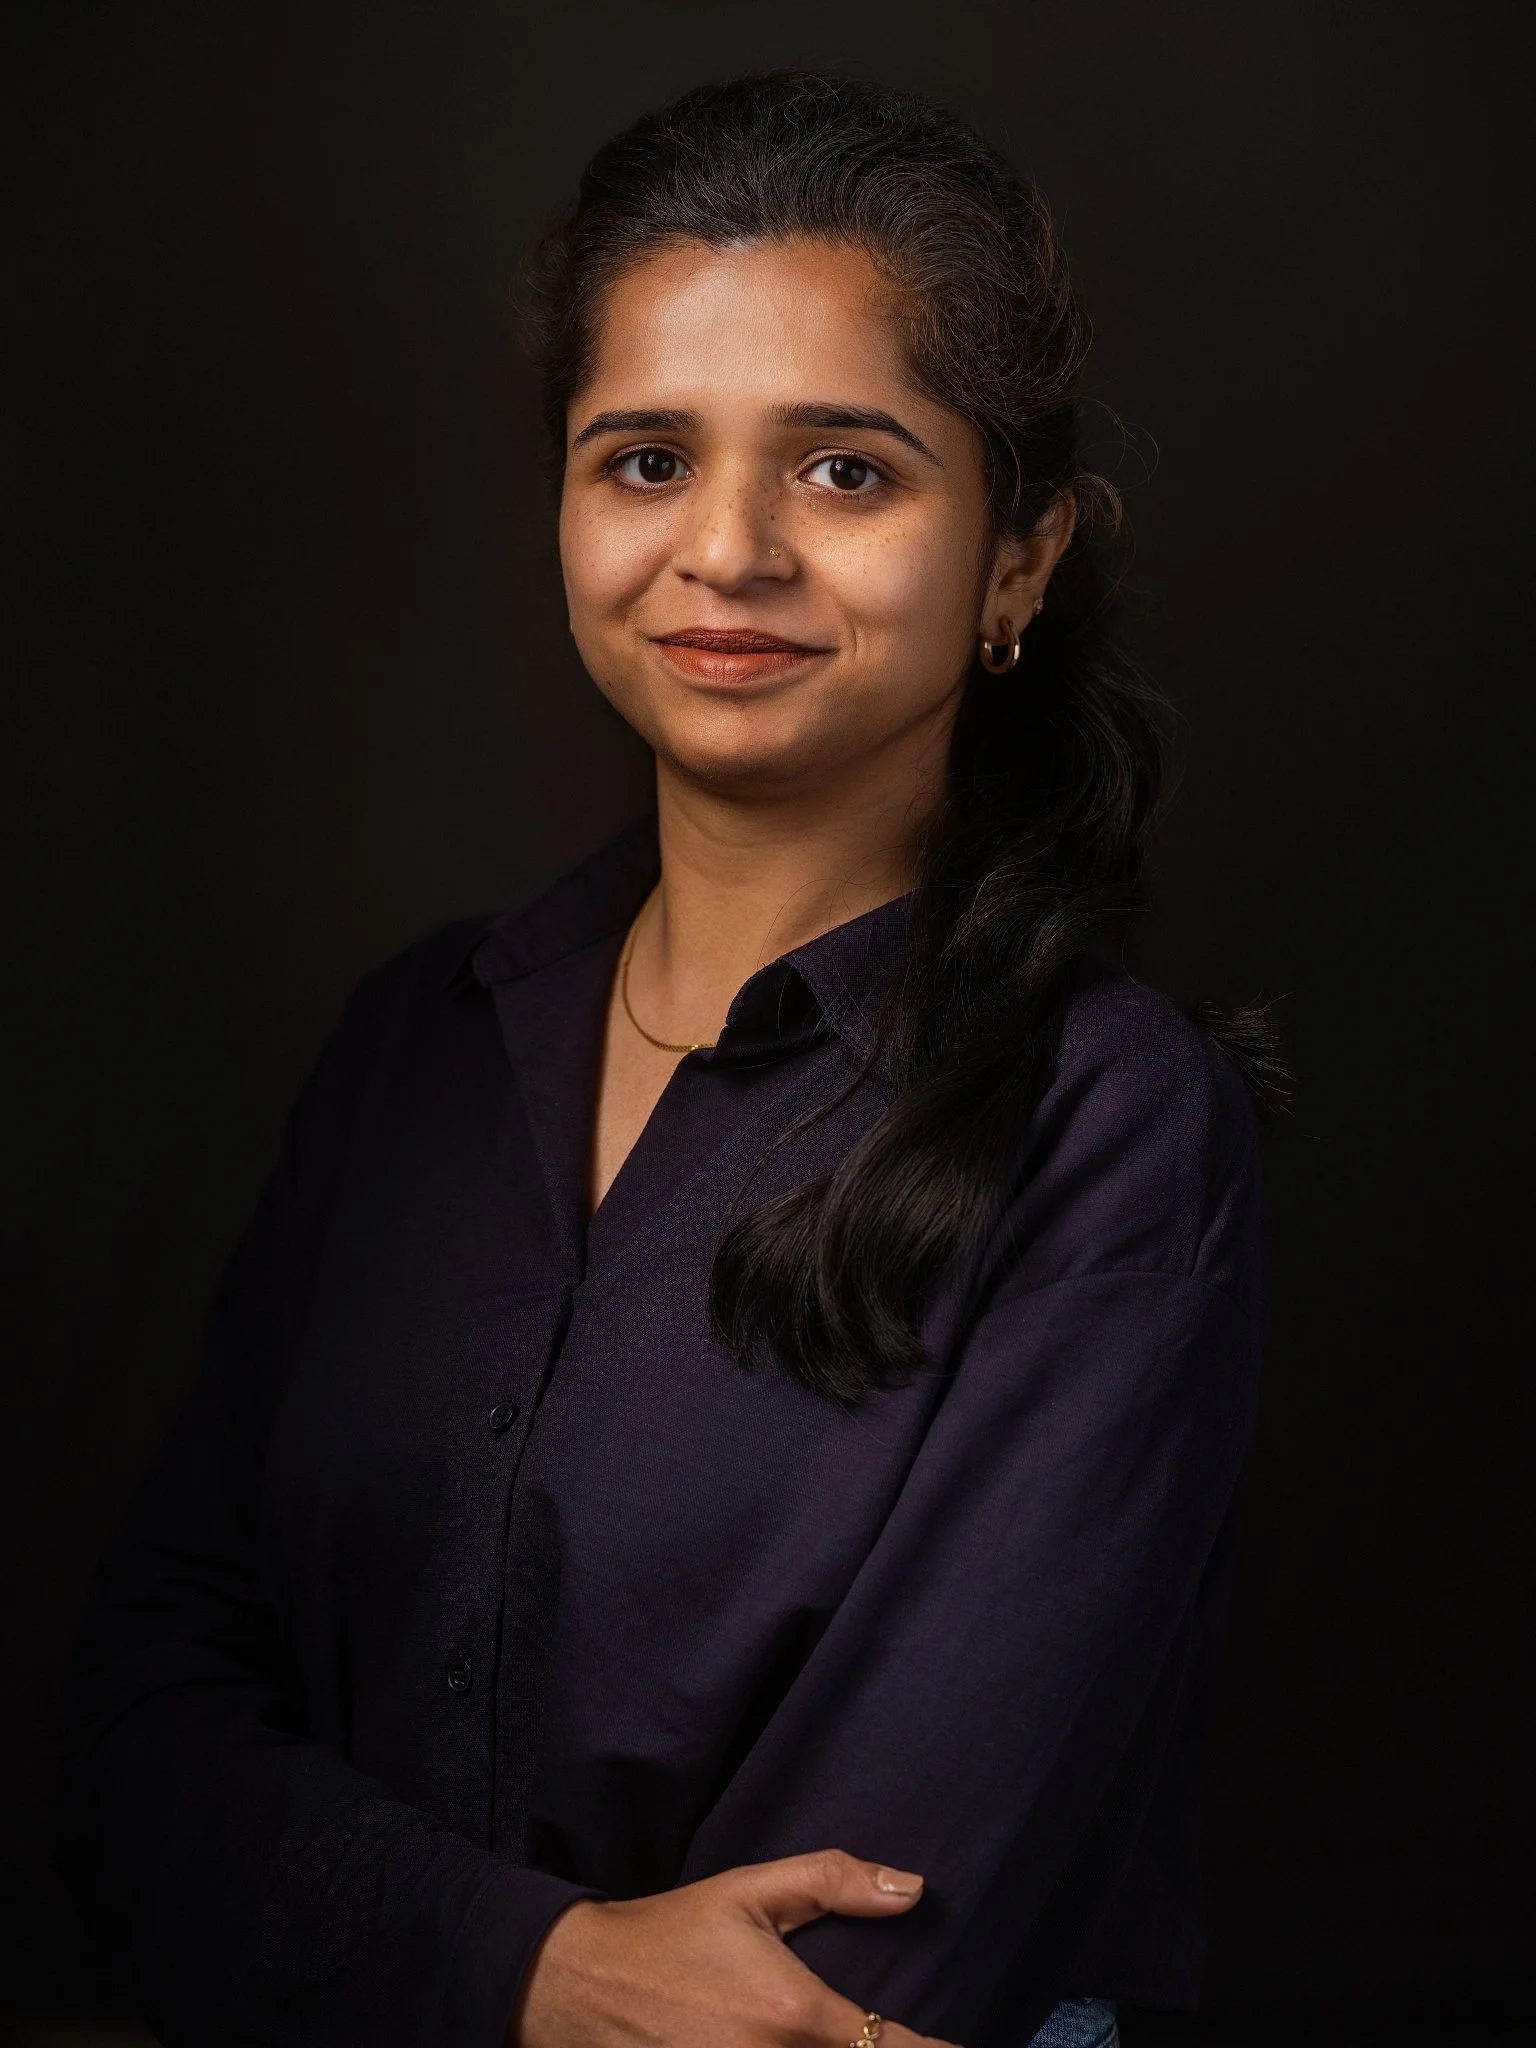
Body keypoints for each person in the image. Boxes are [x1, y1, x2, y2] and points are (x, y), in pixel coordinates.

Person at [60, 70, 1269, 2048]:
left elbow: (841, 1988)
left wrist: (356, 1927)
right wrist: (528, 1964)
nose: (727, 548)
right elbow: (131, 1751)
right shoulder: (415, 1050)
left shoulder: (1110, 1131)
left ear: (1020, 560)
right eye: (643, 459)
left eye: (847, 470)